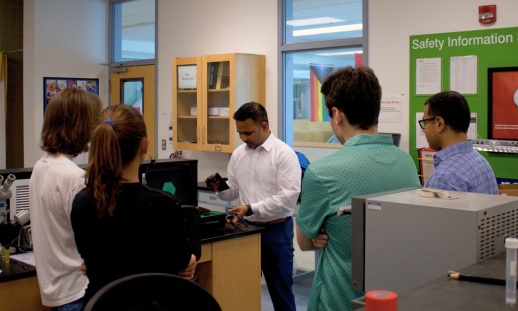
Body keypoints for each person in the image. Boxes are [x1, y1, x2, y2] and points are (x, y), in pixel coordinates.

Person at [295, 66, 422, 311]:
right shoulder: (406, 162)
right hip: (391, 296)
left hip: (339, 299)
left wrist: (320, 232)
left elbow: (304, 241)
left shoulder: (323, 172)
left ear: (336, 114)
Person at [70, 104, 197, 305]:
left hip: (101, 304)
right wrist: (189, 261)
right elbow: (181, 263)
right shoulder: (163, 205)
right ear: (144, 146)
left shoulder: (82, 202)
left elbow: (92, 259)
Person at [207, 102, 301, 311]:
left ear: (264, 126)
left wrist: (250, 208)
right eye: (240, 133)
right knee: (243, 287)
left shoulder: (284, 154)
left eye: (248, 132)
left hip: (276, 231)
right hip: (247, 231)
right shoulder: (239, 154)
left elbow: (287, 197)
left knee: (281, 290)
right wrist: (220, 189)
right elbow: (234, 189)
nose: (243, 138)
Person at [30, 87, 103, 311]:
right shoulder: (74, 177)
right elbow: (95, 241)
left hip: (56, 289)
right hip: (78, 290)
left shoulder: (41, 167)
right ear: (83, 125)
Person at [420, 90, 498, 194]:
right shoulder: (481, 162)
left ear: (439, 124)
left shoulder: (442, 179)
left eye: (425, 122)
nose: (423, 129)